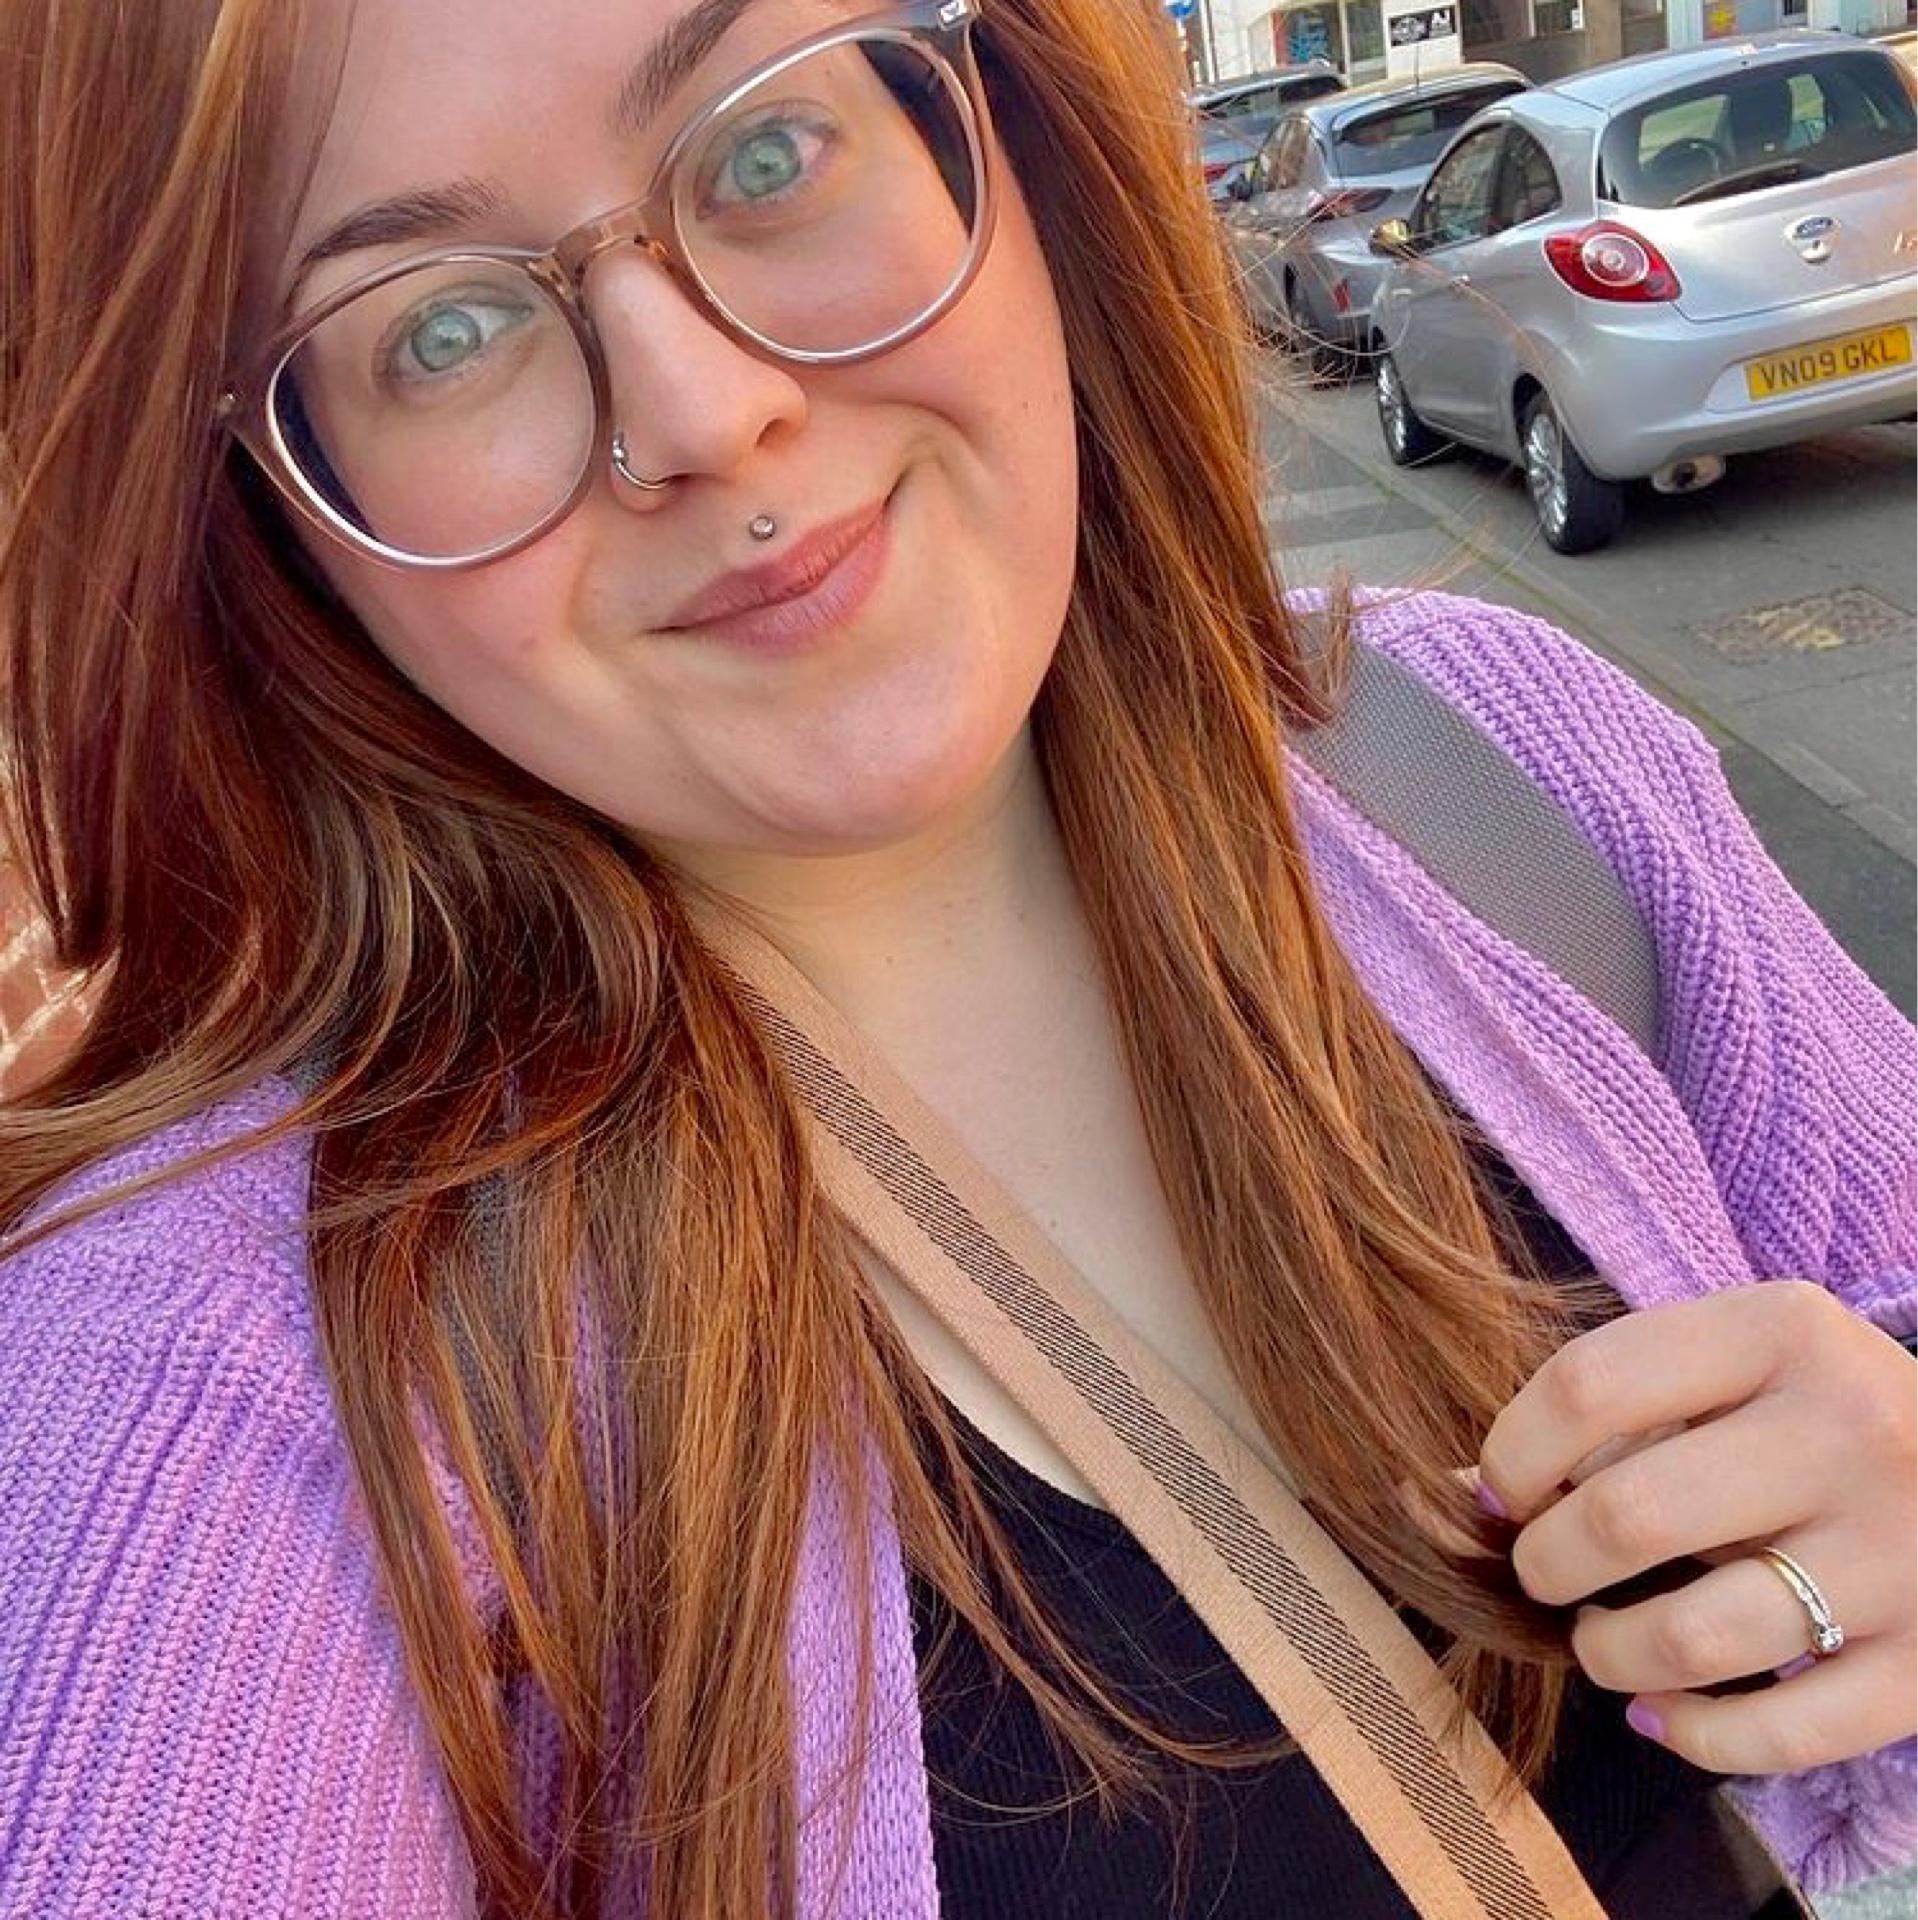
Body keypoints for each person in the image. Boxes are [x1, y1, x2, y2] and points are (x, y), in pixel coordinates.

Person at [0, 1, 1911, 1915]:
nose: (699, 412)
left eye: (766, 151)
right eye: (437, 329)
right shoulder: (222, 1358)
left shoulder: (1509, 768)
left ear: (1000, 131)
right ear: (278, 523)